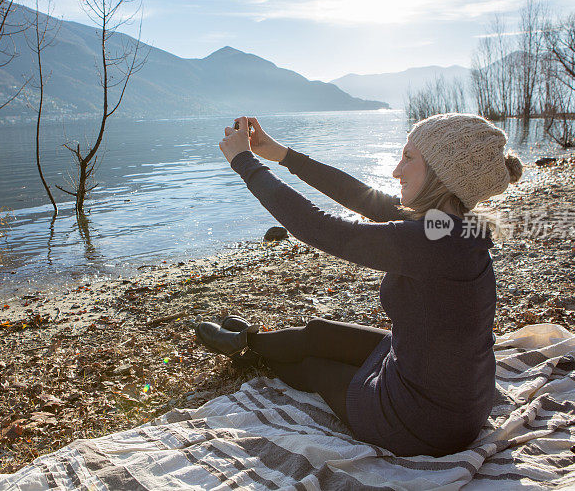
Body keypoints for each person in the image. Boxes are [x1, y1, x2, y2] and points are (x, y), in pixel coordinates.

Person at [196, 113, 523, 457]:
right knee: (318, 334)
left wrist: (244, 162)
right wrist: (281, 155)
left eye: (408, 158)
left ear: (443, 173)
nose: (397, 170)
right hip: (449, 391)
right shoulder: (451, 227)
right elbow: (361, 197)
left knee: (314, 369)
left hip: (423, 423)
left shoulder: (431, 241)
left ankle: (246, 352)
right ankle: (249, 340)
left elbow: (318, 227)